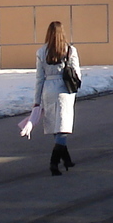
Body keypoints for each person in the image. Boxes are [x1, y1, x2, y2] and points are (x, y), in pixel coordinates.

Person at [34, 21, 82, 176]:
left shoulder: (42, 52)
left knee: (56, 124)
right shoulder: (70, 50)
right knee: (62, 127)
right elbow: (77, 73)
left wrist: (37, 100)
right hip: (64, 90)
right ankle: (53, 162)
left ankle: (66, 159)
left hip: (48, 89)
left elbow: (39, 78)